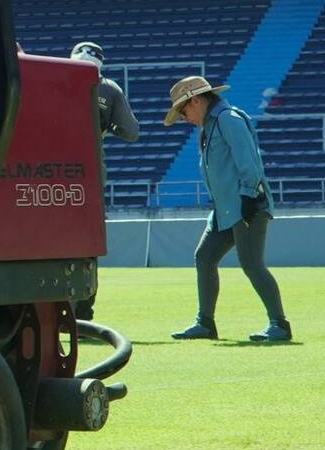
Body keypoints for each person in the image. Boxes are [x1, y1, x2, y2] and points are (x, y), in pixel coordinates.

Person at [163, 75, 292, 343]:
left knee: (252, 265)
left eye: (184, 110)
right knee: (204, 258)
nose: (184, 117)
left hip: (246, 206)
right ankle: (205, 323)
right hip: (226, 210)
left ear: (196, 101)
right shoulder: (212, 124)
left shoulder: (228, 119)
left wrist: (249, 197)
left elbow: (249, 161)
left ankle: (279, 324)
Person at [69, 41, 139, 320]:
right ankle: (84, 312)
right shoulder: (109, 89)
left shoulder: (54, 77)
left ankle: (54, 310)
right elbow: (131, 131)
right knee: (88, 242)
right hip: (90, 173)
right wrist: (106, 125)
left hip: (47, 172)